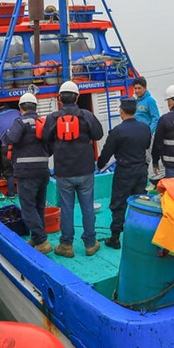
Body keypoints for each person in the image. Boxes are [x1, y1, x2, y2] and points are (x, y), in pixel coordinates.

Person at [41, 80, 104, 258]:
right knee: (88, 207)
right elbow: (98, 134)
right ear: (77, 97)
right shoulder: (86, 115)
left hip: (63, 171)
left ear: (60, 98)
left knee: (67, 209)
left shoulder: (53, 117)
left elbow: (45, 137)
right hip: (85, 169)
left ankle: (66, 245)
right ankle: (91, 244)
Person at [96, 97, 151, 249]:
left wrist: (100, 165)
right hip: (141, 171)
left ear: (121, 111)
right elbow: (146, 146)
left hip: (124, 172)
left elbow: (107, 153)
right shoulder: (145, 128)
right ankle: (140, 236)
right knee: (140, 203)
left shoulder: (118, 131)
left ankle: (115, 238)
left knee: (119, 204)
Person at [2, 93, 52, 254]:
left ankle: (42, 240)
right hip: (43, 171)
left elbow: (11, 138)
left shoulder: (20, 121)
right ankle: (37, 238)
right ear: (35, 107)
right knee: (39, 205)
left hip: (26, 172)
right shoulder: (43, 123)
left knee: (27, 206)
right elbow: (50, 149)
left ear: (20, 108)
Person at [0, 102, 20, 197]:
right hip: (19, 145)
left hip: (6, 147)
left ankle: (11, 192)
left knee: (9, 171)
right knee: (21, 168)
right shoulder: (17, 112)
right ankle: (22, 192)